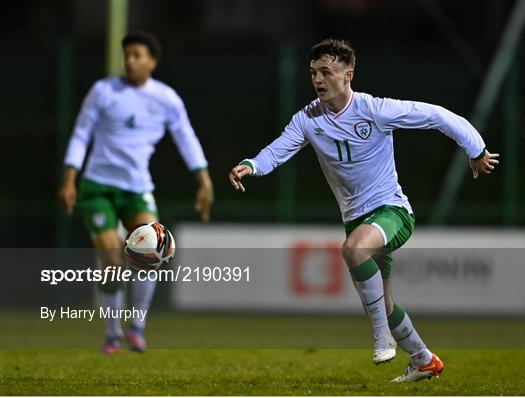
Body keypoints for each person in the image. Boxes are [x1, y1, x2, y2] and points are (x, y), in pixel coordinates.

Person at [228, 39, 499, 382]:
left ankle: (381, 335)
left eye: (326, 72)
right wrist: (250, 165)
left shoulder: (375, 110)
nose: (318, 79)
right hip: (357, 220)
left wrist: (476, 149)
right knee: (384, 302)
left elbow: (437, 116)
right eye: (313, 73)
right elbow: (278, 150)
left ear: (348, 74)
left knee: (354, 249)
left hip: (393, 212)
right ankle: (423, 359)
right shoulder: (308, 119)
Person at [58, 32, 214, 354]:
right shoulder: (104, 91)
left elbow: (186, 136)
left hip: (137, 187)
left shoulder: (166, 98)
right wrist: (69, 179)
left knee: (151, 250)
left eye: (137, 55)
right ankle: (113, 333)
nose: (129, 60)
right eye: (126, 54)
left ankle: (137, 327)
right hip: (97, 186)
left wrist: (204, 180)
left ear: (152, 62)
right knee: (111, 257)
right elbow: (81, 133)